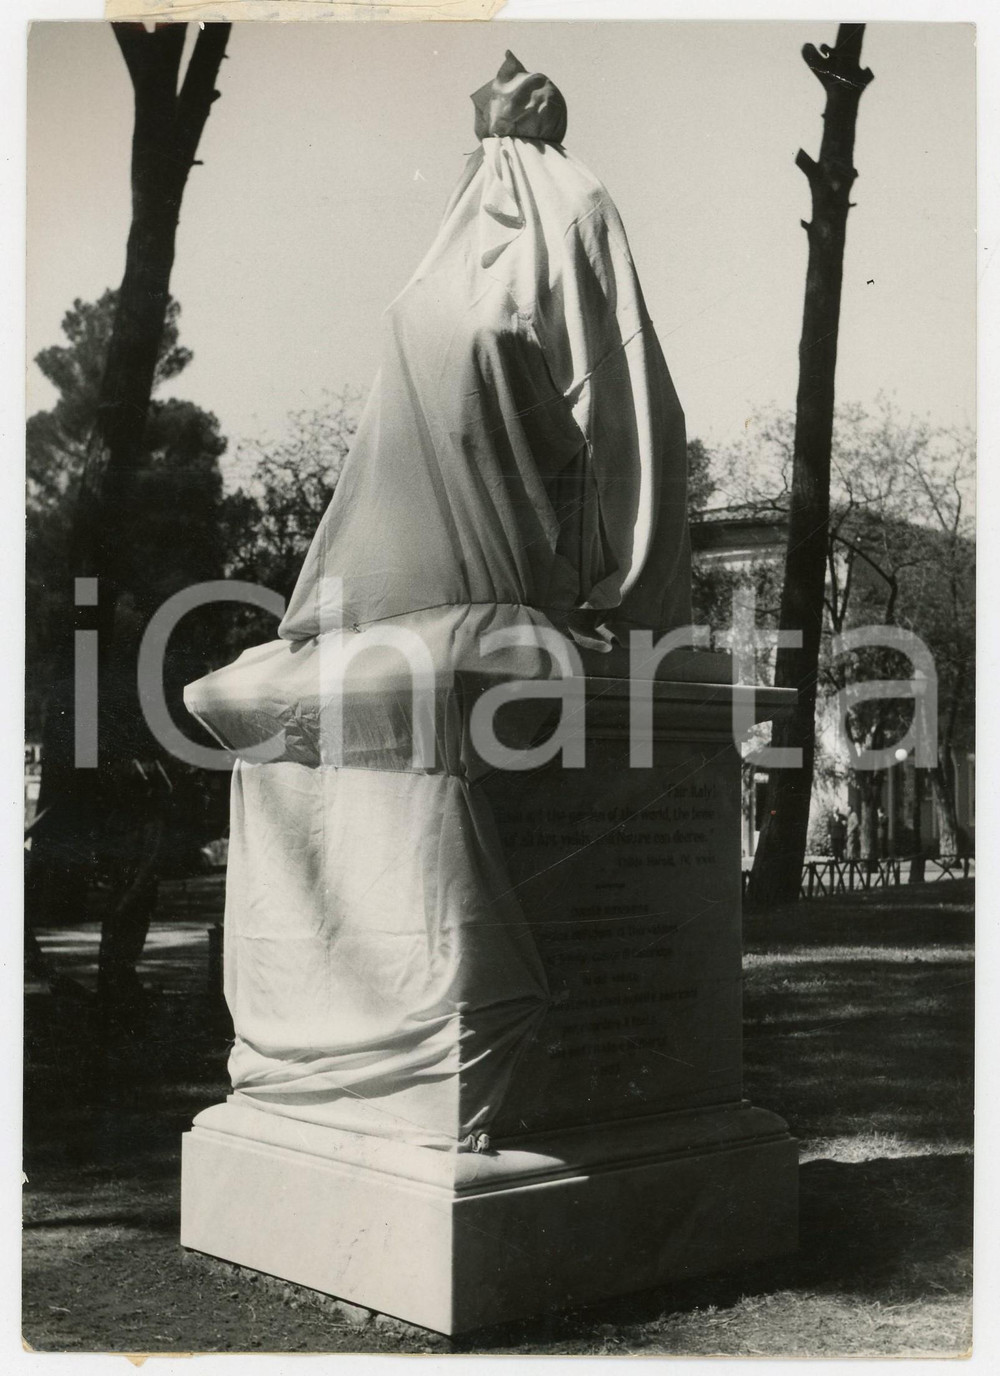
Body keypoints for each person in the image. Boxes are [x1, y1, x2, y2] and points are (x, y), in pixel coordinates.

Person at [185, 53, 692, 1148]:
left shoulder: (566, 215)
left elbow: (615, 389)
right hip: (444, 591)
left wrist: (618, 587)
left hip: (504, 593)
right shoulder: (454, 259)